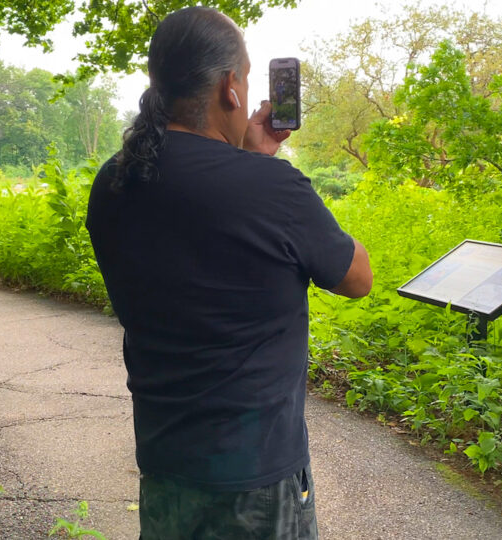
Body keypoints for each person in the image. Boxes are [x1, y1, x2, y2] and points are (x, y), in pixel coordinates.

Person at [85, 7, 372, 539]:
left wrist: (249, 160)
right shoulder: (273, 189)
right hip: (254, 477)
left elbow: (196, 220)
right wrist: (265, 171)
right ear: (231, 89)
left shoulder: (114, 181)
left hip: (165, 462)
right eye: (243, 74)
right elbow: (356, 277)